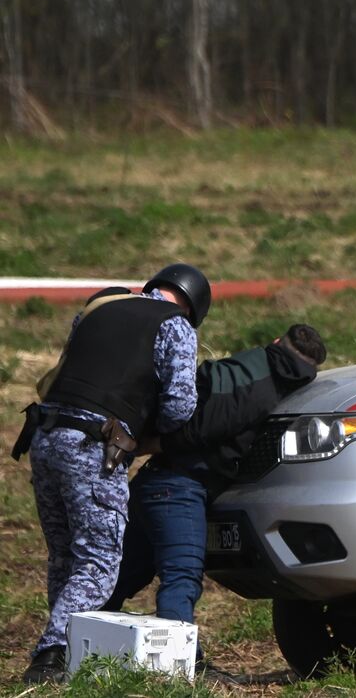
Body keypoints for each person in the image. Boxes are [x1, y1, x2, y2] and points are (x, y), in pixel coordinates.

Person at [14, 264, 210, 684]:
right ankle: (51, 654)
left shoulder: (97, 309)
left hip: (44, 438)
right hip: (92, 446)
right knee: (99, 561)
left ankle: (69, 654)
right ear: (193, 307)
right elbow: (179, 407)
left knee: (66, 556)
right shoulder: (175, 326)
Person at [102, 325, 327, 633]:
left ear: (277, 342)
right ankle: (180, 667)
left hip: (156, 483)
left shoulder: (250, 367)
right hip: (178, 488)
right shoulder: (268, 389)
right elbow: (201, 429)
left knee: (120, 574)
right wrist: (157, 444)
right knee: (182, 575)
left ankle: (69, 647)